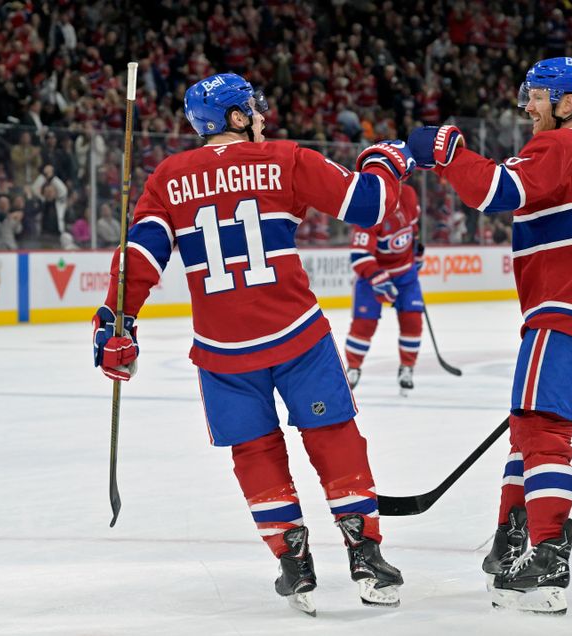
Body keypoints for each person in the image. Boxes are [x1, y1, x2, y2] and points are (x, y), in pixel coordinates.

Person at [92, 73, 415, 615]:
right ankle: (364, 550)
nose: (261, 116)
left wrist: (115, 319)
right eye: (252, 109)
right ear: (237, 118)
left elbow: (141, 256)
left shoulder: (168, 176)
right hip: (297, 335)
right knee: (333, 432)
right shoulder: (286, 158)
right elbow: (371, 206)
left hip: (222, 348)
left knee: (254, 450)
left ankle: (293, 559)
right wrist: (385, 157)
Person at [408, 57, 572, 615]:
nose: (527, 106)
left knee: (542, 433)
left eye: (538, 96)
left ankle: (547, 557)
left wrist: (446, 152)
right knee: (531, 429)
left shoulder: (558, 148)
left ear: (567, 104)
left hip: (567, 313)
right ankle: (512, 541)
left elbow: (496, 191)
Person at [344, 178, 425, 394]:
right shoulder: (368, 207)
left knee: (413, 319)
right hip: (374, 277)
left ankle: (407, 367)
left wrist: (418, 251)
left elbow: (414, 227)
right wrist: (378, 278)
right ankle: (353, 368)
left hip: (405, 273)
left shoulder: (408, 194)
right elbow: (360, 255)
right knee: (364, 324)